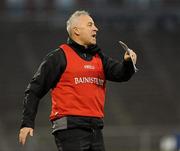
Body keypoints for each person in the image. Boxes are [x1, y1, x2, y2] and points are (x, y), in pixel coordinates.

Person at [19, 10, 137, 151]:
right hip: (70, 128)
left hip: (95, 128)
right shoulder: (59, 56)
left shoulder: (99, 58)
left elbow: (121, 74)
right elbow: (34, 90)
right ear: (76, 31)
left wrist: (128, 63)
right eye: (90, 25)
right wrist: (27, 122)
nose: (96, 28)